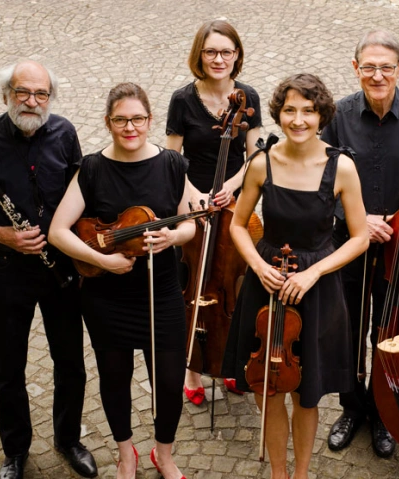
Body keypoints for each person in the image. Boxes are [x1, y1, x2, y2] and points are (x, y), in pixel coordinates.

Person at [0, 60, 97, 479]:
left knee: (71, 363)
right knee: (9, 368)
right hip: (7, 272)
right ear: (6, 95)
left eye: (41, 93)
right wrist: (0, 234)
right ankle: (15, 451)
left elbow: (81, 193)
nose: (31, 101)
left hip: (60, 269)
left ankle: (68, 440)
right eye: (22, 92)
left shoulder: (64, 133)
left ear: (50, 97)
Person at [222, 73, 368, 479]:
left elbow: (359, 238)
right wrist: (258, 266)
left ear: (321, 116)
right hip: (266, 284)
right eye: (290, 110)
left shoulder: (342, 168)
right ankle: (279, 474)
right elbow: (237, 225)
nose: (298, 120)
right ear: (279, 113)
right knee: (268, 390)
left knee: (307, 395)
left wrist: (314, 272)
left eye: (308, 111)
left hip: (316, 290)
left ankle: (301, 474)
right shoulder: (261, 163)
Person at [48, 83, 194, 479]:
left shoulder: (171, 164)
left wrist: (172, 237)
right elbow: (58, 231)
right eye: (121, 120)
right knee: (115, 379)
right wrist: (102, 261)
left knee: (169, 381)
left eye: (138, 119)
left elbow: (189, 224)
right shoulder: (93, 168)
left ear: (150, 120)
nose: (130, 127)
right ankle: (126, 453)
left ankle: (164, 454)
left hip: (161, 294)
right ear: (108, 122)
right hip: (107, 297)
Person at [320, 29, 399, 458]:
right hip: (349, 243)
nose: (377, 76)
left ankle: (384, 412)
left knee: (388, 329)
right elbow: (321, 179)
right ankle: (352, 408)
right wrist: (357, 219)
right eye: (369, 67)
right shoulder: (337, 115)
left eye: (386, 67)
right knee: (349, 328)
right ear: (355, 68)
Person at [166, 19, 262, 404]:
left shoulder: (248, 96)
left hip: (234, 198)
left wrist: (232, 186)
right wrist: (193, 194)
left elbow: (256, 155)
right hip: (192, 196)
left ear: (237, 55)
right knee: (190, 283)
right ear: (200, 55)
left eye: (226, 52)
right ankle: (191, 366)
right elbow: (172, 158)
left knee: (234, 283)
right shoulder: (182, 100)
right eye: (211, 52)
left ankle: (229, 361)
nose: (218, 59)